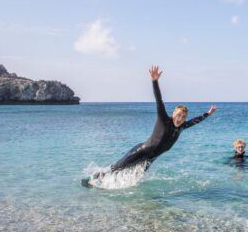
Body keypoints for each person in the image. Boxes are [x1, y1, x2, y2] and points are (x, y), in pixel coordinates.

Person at [82, 65, 217, 187]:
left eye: (183, 117)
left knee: (132, 180)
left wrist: (207, 114)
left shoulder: (181, 127)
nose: (180, 118)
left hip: (150, 160)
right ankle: (92, 179)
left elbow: (195, 121)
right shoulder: (164, 119)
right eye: (178, 115)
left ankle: (107, 187)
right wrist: (154, 81)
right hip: (141, 151)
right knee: (118, 168)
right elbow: (159, 100)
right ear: (173, 113)